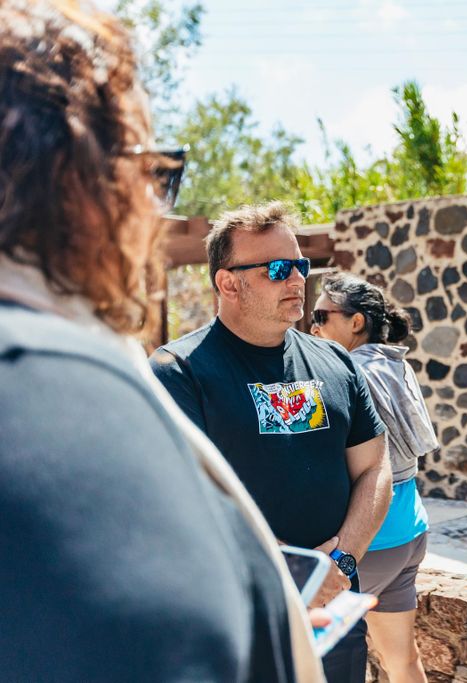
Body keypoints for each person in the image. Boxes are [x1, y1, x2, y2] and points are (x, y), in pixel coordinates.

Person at [0, 2, 326, 681]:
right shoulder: (103, 398)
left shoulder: (329, 362)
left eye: (299, 266)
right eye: (154, 178)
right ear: (87, 185)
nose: (156, 217)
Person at [150, 202, 392, 683]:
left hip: (335, 614)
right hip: (241, 621)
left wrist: (339, 562)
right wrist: (296, 574)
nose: (297, 280)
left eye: (300, 266)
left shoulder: (336, 362)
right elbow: (194, 505)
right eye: (278, 269)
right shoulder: (179, 372)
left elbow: (375, 467)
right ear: (228, 282)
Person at [310, 272, 435, 683]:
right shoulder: (395, 363)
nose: (313, 326)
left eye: (322, 315)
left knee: (335, 664)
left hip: (367, 544)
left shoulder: (347, 373)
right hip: (409, 532)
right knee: (402, 661)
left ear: (356, 322)